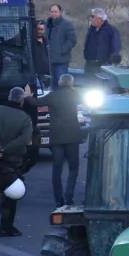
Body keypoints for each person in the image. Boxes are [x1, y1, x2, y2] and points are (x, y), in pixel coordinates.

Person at [0, 87, 33, 237]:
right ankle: (6, 226)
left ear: (9, 97)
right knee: (11, 196)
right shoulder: (24, 118)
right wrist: (6, 149)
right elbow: (24, 139)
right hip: (12, 163)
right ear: (21, 101)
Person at [43, 74, 82, 207]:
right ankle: (69, 197)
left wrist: (26, 96)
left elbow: (35, 102)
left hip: (56, 137)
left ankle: (58, 200)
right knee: (73, 167)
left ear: (60, 83)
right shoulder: (76, 95)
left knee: (57, 168)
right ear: (71, 83)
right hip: (72, 136)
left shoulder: (53, 96)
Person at [83, 8, 122, 75]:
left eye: (93, 17)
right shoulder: (91, 30)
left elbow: (116, 48)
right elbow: (87, 44)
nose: (91, 19)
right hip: (89, 65)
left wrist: (109, 62)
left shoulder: (111, 31)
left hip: (103, 66)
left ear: (99, 18)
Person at [46, 3, 77, 83]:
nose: (53, 14)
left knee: (62, 84)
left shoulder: (67, 24)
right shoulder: (48, 24)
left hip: (61, 61)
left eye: (55, 12)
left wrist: (62, 50)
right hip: (50, 61)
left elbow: (72, 40)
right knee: (53, 85)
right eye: (52, 12)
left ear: (60, 12)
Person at [32, 20, 50, 85]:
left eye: (41, 29)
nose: (39, 31)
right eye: (37, 29)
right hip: (35, 76)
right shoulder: (29, 43)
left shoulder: (48, 42)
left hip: (47, 76)